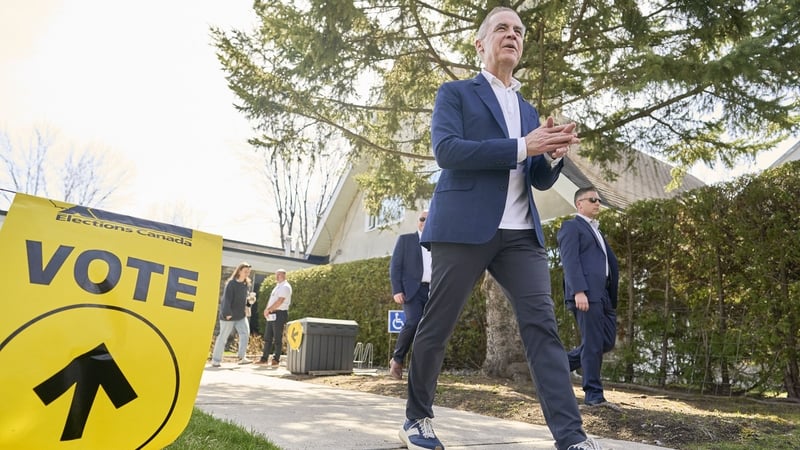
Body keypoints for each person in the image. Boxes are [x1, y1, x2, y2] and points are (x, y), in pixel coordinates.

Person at [398, 7, 601, 450]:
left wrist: (551, 154)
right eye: (502, 28)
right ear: (480, 43)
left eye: (519, 31)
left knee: (543, 330)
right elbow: (447, 151)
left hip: (521, 235)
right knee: (437, 324)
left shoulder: (528, 110)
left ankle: (571, 438)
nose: (513, 35)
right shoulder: (455, 93)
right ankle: (417, 419)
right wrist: (524, 145)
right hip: (462, 228)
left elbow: (537, 178)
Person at [557, 187, 619, 408]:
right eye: (593, 199)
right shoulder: (571, 227)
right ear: (579, 204)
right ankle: (593, 395)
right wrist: (578, 291)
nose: (597, 203)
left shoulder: (597, 231)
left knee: (605, 342)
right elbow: (570, 261)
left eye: (599, 200)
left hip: (604, 295)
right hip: (585, 294)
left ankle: (556, 366)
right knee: (592, 343)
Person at [389, 210, 432, 380]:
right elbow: (395, 267)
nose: (424, 222)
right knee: (413, 321)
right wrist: (397, 290)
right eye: (422, 219)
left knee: (428, 328)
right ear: (418, 221)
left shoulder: (438, 243)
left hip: (433, 291)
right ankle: (397, 359)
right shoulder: (405, 240)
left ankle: (420, 367)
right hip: (411, 291)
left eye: (428, 219)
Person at [210, 262, 254, 367]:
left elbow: (245, 300)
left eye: (248, 272)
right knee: (223, 337)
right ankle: (216, 360)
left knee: (245, 333)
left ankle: (241, 357)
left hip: (240, 316)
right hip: (228, 316)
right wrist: (227, 313)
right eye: (245, 271)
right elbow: (226, 300)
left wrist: (249, 301)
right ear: (239, 271)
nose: (247, 273)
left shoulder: (246, 284)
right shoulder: (231, 284)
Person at [257, 269, 292, 367]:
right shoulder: (277, 287)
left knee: (277, 338)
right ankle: (264, 359)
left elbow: (280, 301)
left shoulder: (285, 287)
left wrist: (269, 309)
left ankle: (276, 359)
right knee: (267, 337)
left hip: (279, 314)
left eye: (279, 275)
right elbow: (272, 300)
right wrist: (267, 310)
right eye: (276, 275)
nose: (277, 277)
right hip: (272, 313)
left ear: (284, 275)